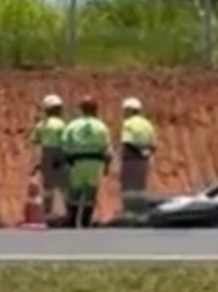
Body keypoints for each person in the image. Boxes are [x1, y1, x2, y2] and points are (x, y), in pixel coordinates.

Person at [62, 95, 111, 228]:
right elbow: (107, 148)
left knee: (74, 193)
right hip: (94, 163)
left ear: (81, 109)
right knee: (90, 192)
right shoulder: (101, 126)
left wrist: (66, 161)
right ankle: (85, 221)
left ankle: (72, 221)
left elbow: (65, 144)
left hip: (76, 162)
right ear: (95, 109)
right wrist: (107, 166)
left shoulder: (73, 125)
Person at [118, 97, 157, 225]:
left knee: (129, 189)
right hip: (143, 162)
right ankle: (141, 216)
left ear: (129, 110)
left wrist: (137, 151)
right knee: (140, 188)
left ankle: (130, 216)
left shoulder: (128, 123)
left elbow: (127, 142)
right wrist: (145, 153)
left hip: (130, 160)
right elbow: (153, 146)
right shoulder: (147, 124)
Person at [30, 94, 67, 221]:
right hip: (59, 153)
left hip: (45, 154)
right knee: (64, 185)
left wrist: (36, 163)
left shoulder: (41, 125)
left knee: (47, 187)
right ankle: (67, 212)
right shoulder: (61, 124)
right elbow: (65, 141)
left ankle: (47, 213)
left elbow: (35, 142)